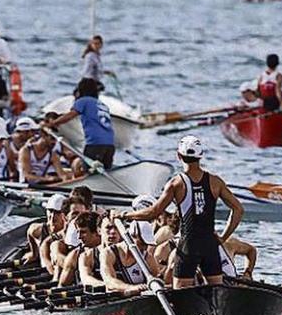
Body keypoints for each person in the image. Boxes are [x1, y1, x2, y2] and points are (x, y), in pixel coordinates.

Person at [114, 136, 244, 289]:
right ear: (200, 156)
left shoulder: (176, 183)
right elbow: (238, 210)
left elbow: (153, 213)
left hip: (188, 245)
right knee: (217, 293)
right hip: (210, 245)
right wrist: (223, 238)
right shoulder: (215, 182)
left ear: (179, 156)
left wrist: (123, 215)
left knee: (181, 295)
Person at [44, 78, 115, 169]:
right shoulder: (102, 104)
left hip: (95, 143)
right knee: (106, 169)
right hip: (110, 143)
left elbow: (70, 115)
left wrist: (53, 123)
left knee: (89, 170)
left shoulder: (83, 101)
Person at [58, 210, 103, 287]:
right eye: (78, 232)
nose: (79, 237)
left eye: (83, 232)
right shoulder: (75, 256)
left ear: (97, 232)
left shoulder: (114, 250)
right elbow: (62, 285)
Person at [24, 194, 66, 264]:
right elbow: (29, 232)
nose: (52, 216)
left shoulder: (70, 232)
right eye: (50, 211)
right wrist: (34, 254)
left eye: (57, 212)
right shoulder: (36, 230)